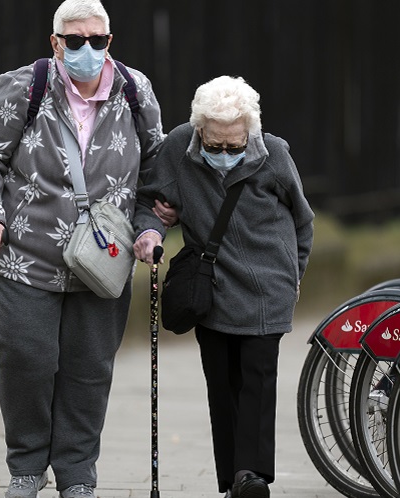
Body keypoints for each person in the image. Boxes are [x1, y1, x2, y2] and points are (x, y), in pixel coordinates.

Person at [0, 1, 174, 497]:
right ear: (55, 42)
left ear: (109, 41)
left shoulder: (135, 91)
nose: (86, 50)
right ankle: (27, 468)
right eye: (74, 41)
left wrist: (148, 230)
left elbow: (155, 176)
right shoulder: (23, 87)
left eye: (96, 41)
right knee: (26, 358)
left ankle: (77, 475)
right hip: (25, 255)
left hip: (104, 263)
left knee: (88, 370)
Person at [133, 76, 314, 498]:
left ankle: (251, 476)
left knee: (257, 378)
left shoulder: (274, 155)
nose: (226, 155)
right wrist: (150, 232)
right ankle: (232, 477)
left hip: (269, 284)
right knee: (221, 382)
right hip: (209, 286)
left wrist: (296, 273)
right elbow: (147, 201)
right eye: (215, 146)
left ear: (249, 131)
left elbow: (302, 219)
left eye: (235, 146)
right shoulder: (179, 147)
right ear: (200, 130)